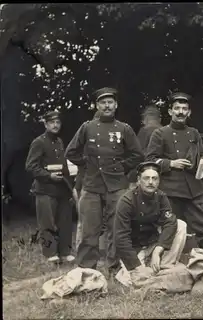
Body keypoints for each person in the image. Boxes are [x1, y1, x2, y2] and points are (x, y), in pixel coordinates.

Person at [65, 87, 144, 275]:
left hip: (117, 187)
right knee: (89, 231)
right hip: (91, 186)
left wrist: (121, 168)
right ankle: (86, 270)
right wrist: (86, 164)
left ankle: (114, 269)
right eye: (103, 102)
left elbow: (137, 155)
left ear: (116, 105)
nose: (106, 106)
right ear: (97, 106)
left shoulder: (124, 128)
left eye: (110, 102)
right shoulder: (87, 127)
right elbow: (71, 152)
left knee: (116, 230)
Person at [145, 92, 203, 248]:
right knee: (170, 228)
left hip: (194, 188)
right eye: (177, 108)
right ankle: (169, 261)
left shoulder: (194, 132)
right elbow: (149, 160)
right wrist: (171, 163)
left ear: (189, 112)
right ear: (170, 112)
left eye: (184, 109)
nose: (181, 112)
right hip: (170, 190)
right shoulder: (160, 133)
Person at [114, 161, 187, 283]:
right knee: (133, 281)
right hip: (135, 248)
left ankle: (165, 265)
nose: (151, 182)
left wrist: (159, 249)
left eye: (154, 178)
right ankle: (130, 270)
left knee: (180, 224)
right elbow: (121, 238)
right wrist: (136, 267)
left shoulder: (161, 196)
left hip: (152, 243)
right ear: (138, 180)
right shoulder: (127, 201)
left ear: (159, 181)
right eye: (146, 178)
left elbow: (170, 222)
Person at [25, 110, 75, 263]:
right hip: (45, 189)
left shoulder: (59, 142)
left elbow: (64, 167)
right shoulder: (38, 142)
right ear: (46, 124)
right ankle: (50, 254)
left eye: (58, 122)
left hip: (61, 189)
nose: (55, 125)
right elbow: (31, 166)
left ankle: (65, 252)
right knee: (47, 223)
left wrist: (70, 188)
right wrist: (48, 176)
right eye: (52, 122)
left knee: (65, 221)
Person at [74, 110, 102, 251]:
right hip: (84, 184)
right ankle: (80, 249)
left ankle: (96, 249)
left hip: (93, 185)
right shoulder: (86, 142)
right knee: (83, 221)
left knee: (92, 221)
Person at [127, 105, 163, 188]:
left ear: (144, 120)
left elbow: (138, 153)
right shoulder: (165, 130)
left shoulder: (144, 130)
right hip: (161, 171)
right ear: (159, 119)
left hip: (144, 169)